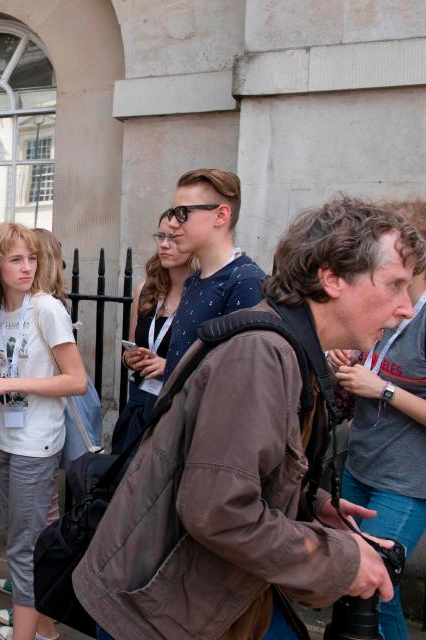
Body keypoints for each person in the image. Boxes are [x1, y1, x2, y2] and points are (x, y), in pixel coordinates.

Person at [73, 195, 426, 640]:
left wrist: (312, 501)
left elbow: (228, 465)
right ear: (332, 277)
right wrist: (344, 561)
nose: (406, 308)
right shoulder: (262, 353)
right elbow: (217, 510)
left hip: (196, 599)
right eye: (395, 285)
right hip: (160, 610)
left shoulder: (287, 343)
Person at [0, 222, 87, 640]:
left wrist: (8, 384)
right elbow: (9, 372)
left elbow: (77, 380)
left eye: (31, 258)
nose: (26, 268)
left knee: (23, 547)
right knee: (34, 538)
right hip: (6, 436)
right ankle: (46, 628)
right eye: (16, 259)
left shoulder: (46, 308)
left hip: (36, 444)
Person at [331, 201, 426, 640]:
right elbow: (373, 363)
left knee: (376, 590)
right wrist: (348, 354)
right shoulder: (386, 301)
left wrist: (382, 389)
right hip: (359, 467)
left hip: (404, 484)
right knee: (349, 587)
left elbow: (382, 383)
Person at [162, 168, 266, 379]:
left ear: (220, 215)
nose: (172, 223)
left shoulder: (245, 281)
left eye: (183, 212)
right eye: (173, 213)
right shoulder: (193, 281)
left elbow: (243, 377)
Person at [112, 213, 197, 453]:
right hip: (140, 402)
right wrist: (130, 358)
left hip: (176, 408)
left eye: (173, 237)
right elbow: (130, 348)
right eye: (161, 236)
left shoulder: (203, 297)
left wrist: (168, 366)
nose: (164, 244)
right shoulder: (146, 290)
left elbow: (215, 364)